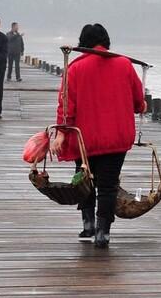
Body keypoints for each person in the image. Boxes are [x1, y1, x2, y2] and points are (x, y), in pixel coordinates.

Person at [50, 23, 146, 249]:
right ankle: (103, 233)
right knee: (108, 186)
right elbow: (137, 101)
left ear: (83, 43)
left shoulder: (74, 68)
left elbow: (66, 105)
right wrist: (142, 105)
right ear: (106, 41)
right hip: (116, 138)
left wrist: (61, 134)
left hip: (84, 140)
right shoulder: (124, 64)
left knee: (84, 181)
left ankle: (88, 225)